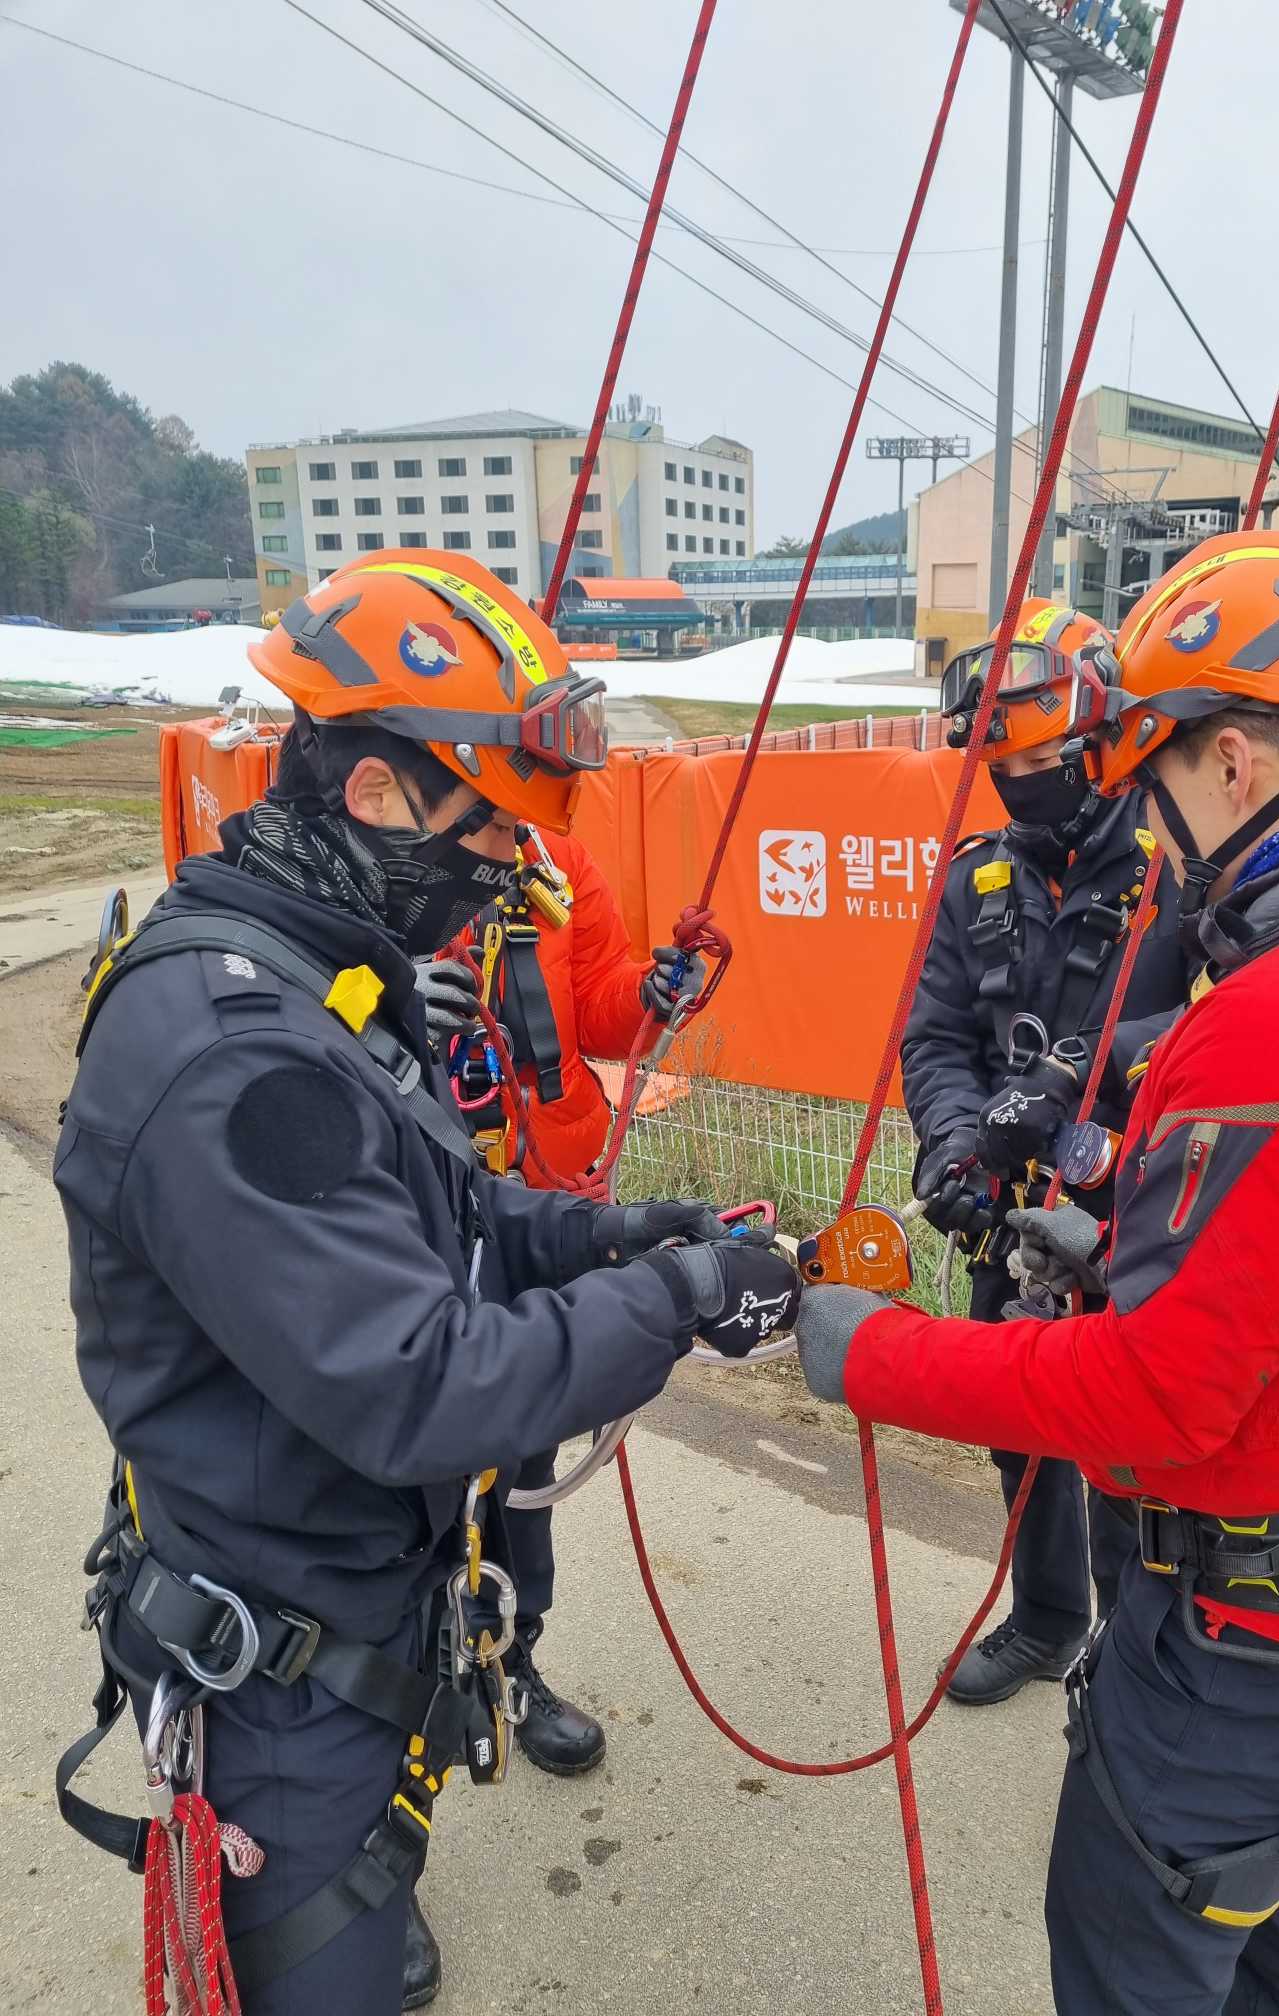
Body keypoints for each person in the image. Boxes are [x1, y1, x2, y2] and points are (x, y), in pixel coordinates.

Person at [55, 550, 803, 2016]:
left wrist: (617, 1232)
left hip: (349, 1614)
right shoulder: (236, 1057)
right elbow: (424, 1384)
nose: (505, 871)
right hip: (280, 1685)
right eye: (492, 834)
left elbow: (437, 1209)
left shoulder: (311, 979)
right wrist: (680, 1299)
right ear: (378, 794)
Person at [795, 531, 1279, 2015]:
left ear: (1233, 764)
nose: (1153, 828)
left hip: (1247, 1645)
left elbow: (1157, 1396)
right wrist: (1126, 1217)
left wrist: (862, 1349)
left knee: (1142, 1951)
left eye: (1156, 777)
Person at [903, 597, 1188, 1703]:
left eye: (1044, 761)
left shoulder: (1182, 870)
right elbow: (937, 1037)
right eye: (1003, 767)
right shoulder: (980, 879)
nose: (1023, 785)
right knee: (1018, 1428)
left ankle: (1134, 1656)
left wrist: (1087, 1079)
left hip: (1138, 1211)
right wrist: (956, 1146)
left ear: (1103, 739)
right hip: (1016, 1215)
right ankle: (1049, 1618)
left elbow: (1232, 1029)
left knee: (1129, 1451)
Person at [413, 828, 707, 1779]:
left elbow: (600, 1008)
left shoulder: (555, 866)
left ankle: (512, 1659)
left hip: (543, 1193)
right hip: (418, 1201)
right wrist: (392, 997)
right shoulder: (375, 847)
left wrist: (651, 996)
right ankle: (402, 1685)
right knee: (416, 1453)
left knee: (525, 1447)